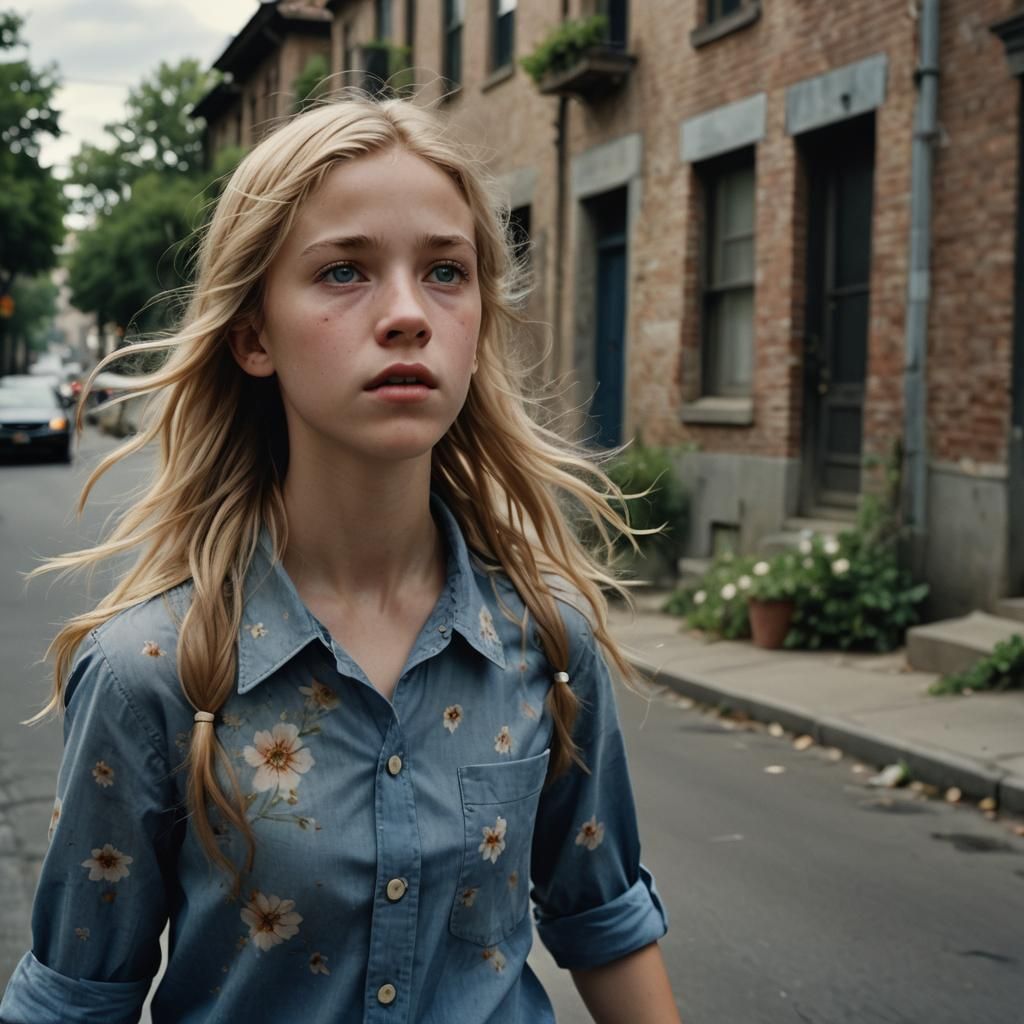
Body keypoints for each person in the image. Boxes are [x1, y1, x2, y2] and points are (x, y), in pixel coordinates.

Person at [0, 97, 679, 1024]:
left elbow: (604, 920)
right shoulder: (150, 674)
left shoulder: (544, 637)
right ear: (253, 336)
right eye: (344, 272)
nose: (407, 314)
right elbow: (77, 999)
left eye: (446, 270)